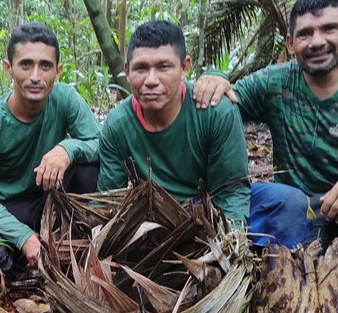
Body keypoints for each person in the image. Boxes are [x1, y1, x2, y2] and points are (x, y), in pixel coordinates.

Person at [193, 0, 338, 302]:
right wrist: (216, 78)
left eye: (329, 29)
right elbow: (227, 101)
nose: (317, 42)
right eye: (304, 33)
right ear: (290, 42)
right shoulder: (275, 82)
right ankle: (297, 278)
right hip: (299, 214)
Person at [0, 22, 101, 282]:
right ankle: (26, 270)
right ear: (9, 68)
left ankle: (77, 247)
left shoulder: (65, 99)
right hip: (8, 207)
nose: (36, 76)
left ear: (58, 71)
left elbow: (101, 143)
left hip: (52, 196)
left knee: (90, 169)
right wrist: (21, 235)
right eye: (25, 64)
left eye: (45, 66)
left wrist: (67, 148)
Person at [97, 20, 251, 225]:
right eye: (141, 68)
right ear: (127, 70)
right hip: (155, 216)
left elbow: (232, 190)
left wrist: (231, 241)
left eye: (164, 67)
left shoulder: (215, 110)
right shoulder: (117, 125)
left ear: (184, 67)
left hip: (211, 205)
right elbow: (109, 201)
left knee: (285, 202)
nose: (151, 80)